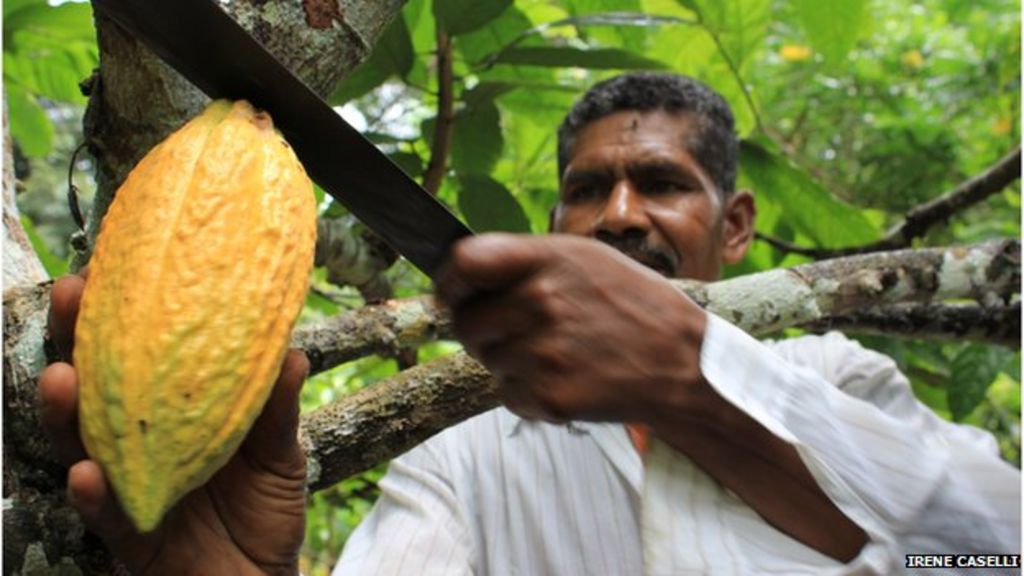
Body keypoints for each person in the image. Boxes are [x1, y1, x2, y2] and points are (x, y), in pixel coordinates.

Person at [40, 72, 1019, 575]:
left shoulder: (841, 380)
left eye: (662, 185)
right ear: (553, 223)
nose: (621, 215)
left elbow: (992, 554)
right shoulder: (468, 456)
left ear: (736, 225)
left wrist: (694, 391)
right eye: (588, 189)